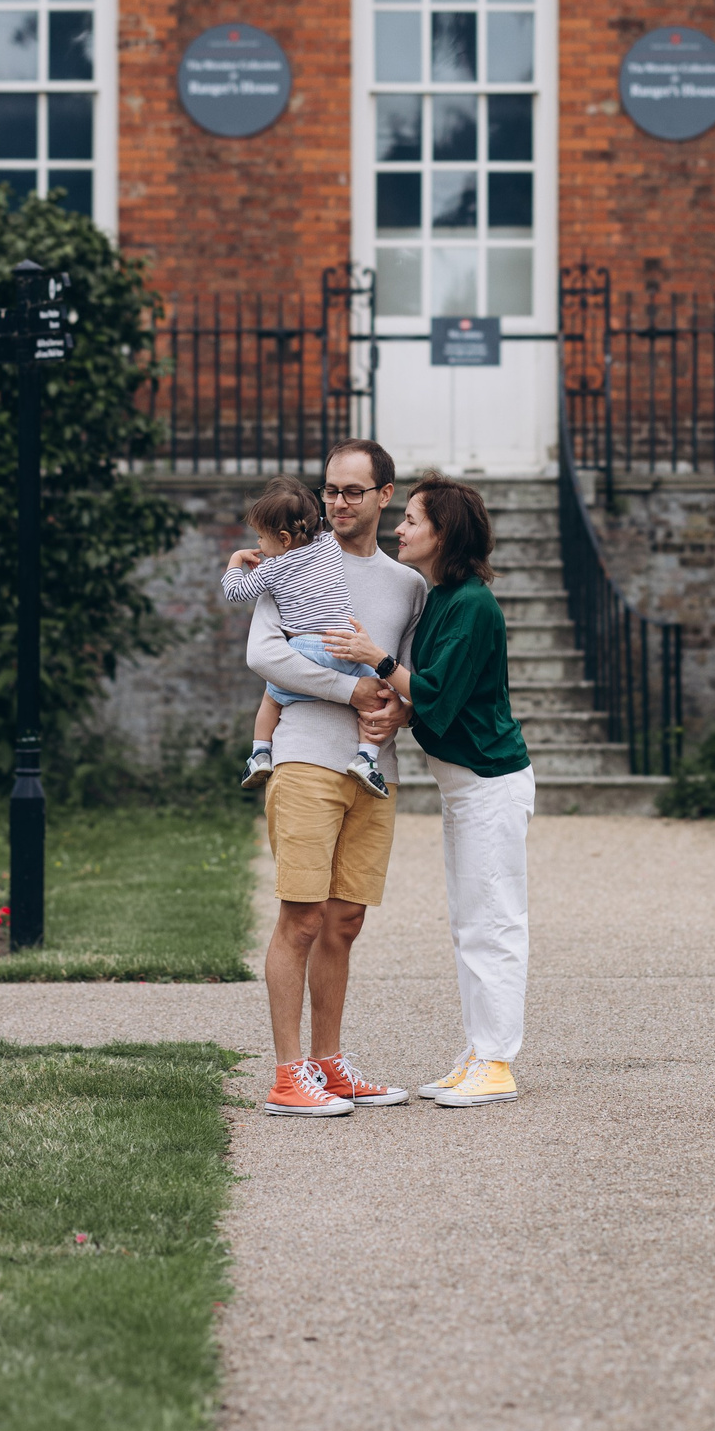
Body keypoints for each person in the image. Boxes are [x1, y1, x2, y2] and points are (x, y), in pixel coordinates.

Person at [325, 473, 532, 1109]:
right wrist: (399, 703)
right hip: (464, 786)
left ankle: (497, 1062)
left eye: (412, 519)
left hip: (490, 786)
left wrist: (377, 658)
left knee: (493, 922)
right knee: (470, 921)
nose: (400, 529)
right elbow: (430, 693)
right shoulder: (443, 596)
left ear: (444, 533)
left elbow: (436, 693)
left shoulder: (472, 605)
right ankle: (478, 1050)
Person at [249, 440, 426, 1118]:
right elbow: (262, 655)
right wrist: (349, 695)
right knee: (301, 917)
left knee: (344, 920)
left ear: (385, 496)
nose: (339, 502)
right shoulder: (292, 562)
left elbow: (405, 675)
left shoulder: (407, 584)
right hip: (304, 760)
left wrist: (398, 712)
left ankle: (330, 1065)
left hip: (373, 771)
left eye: (354, 491)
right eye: (331, 490)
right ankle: (288, 1076)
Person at [219, 475, 389, 798]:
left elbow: (235, 591)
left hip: (304, 646)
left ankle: (259, 753)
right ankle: (366, 758)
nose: (258, 546)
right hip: (344, 646)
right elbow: (321, 522)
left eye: (260, 538)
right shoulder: (327, 544)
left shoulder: (271, 569)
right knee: (376, 694)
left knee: (272, 697)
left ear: (284, 539)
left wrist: (235, 561)